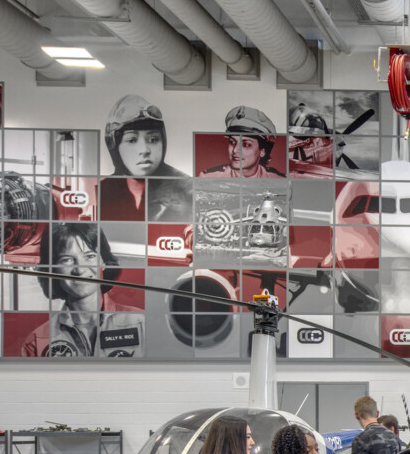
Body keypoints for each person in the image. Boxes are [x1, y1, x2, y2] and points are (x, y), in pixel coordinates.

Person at [21, 224, 143, 357]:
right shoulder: (37, 341)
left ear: (103, 263)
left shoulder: (141, 322)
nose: (79, 270)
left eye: (89, 256)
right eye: (66, 259)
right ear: (52, 270)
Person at [100, 94, 190, 222]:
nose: (144, 150)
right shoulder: (103, 191)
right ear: (113, 145)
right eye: (132, 140)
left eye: (153, 139)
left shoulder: (188, 191)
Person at [201, 106, 286, 178]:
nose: (235, 150)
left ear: (262, 151)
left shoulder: (278, 179)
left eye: (246, 144)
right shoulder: (209, 177)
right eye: (232, 142)